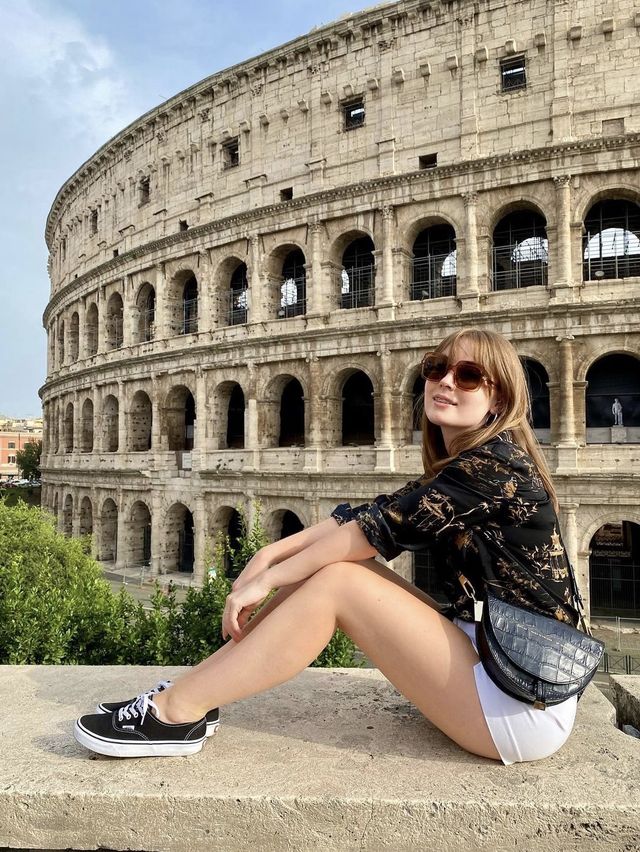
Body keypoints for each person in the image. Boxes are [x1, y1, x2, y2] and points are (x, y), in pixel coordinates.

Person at [74, 328, 581, 765]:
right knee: (335, 570)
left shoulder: (492, 469)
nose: (446, 380)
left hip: (523, 702)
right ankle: (189, 697)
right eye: (437, 367)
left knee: (338, 578)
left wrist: (267, 578)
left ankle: (172, 715)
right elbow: (364, 516)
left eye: (468, 376)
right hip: (495, 661)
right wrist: (269, 556)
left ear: (499, 398)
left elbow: (369, 535)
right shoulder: (473, 464)